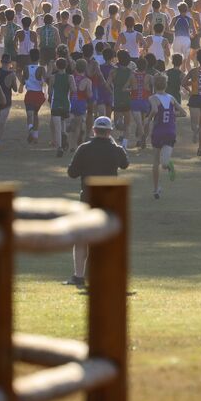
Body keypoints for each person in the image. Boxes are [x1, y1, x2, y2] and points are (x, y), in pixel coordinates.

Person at [65, 116, 129, 286]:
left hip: (87, 198)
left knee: (81, 238)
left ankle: (79, 276)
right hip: (109, 199)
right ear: (110, 131)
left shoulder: (84, 148)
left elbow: (72, 173)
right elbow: (125, 164)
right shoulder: (116, 149)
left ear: (93, 130)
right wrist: (115, 144)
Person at [148, 74, 185, 199]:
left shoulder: (153, 98)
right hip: (169, 131)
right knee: (161, 162)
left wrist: (148, 120)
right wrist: (172, 114)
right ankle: (156, 188)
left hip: (158, 131)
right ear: (166, 85)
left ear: (154, 85)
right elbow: (183, 113)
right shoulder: (171, 98)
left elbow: (154, 110)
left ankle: (156, 188)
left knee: (156, 161)